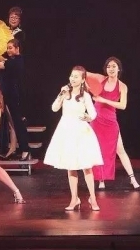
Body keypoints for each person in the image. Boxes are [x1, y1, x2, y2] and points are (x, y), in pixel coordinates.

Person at [44, 66, 103, 211]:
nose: (73, 78)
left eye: (76, 76)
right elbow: (54, 108)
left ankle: (93, 198)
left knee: (86, 166)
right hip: (66, 131)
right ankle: (74, 199)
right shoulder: (65, 93)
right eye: (72, 76)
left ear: (82, 80)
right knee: (71, 166)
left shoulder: (85, 96)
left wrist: (89, 117)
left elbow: (93, 113)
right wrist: (61, 95)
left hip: (81, 131)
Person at [87, 57, 140, 190]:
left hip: (110, 121)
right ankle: (101, 180)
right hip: (96, 120)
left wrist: (103, 100)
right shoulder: (100, 79)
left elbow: (123, 105)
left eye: (114, 66)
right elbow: (84, 73)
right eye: (108, 66)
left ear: (119, 69)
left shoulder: (122, 86)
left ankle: (132, 178)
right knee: (98, 149)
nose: (111, 69)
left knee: (120, 150)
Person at [0, 39, 30, 161]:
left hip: (14, 95)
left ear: (17, 48)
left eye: (10, 48)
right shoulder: (13, 60)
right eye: (7, 48)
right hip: (10, 95)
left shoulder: (15, 62)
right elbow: (3, 59)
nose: (8, 50)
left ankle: (25, 150)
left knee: (17, 123)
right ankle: (13, 148)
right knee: (12, 123)